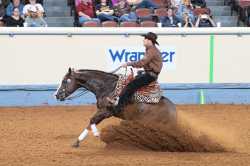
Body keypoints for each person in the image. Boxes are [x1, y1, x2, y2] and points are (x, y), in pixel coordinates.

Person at [108, 32, 163, 114]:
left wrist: (128, 63)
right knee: (130, 82)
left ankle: (119, 107)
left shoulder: (151, 51)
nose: (143, 41)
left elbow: (141, 63)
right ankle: (127, 102)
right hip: (150, 74)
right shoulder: (151, 50)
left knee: (130, 86)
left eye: (145, 39)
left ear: (149, 41)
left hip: (150, 75)